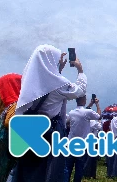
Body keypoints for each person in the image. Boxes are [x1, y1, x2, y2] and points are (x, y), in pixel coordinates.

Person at [13, 45, 87, 182]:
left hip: (27, 128)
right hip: (48, 132)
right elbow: (80, 90)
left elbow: (46, 86)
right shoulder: (58, 85)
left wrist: (57, 70)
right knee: (47, 171)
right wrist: (80, 69)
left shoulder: (28, 80)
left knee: (27, 168)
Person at [64, 95, 101, 182]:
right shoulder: (87, 112)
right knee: (79, 169)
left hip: (70, 143)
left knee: (68, 168)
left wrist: (90, 104)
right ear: (84, 100)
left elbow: (68, 123)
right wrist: (97, 105)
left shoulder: (72, 113)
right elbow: (99, 116)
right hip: (82, 144)